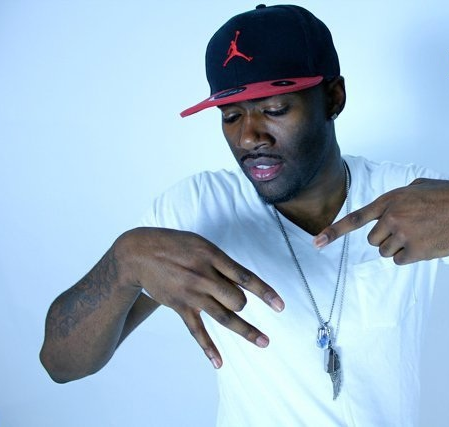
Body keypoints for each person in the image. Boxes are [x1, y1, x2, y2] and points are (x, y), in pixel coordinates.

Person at [40, 4, 449, 425]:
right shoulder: (195, 208)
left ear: (333, 97)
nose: (249, 136)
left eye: (275, 109)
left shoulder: (410, 196)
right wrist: (122, 263)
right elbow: (61, 364)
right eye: (232, 116)